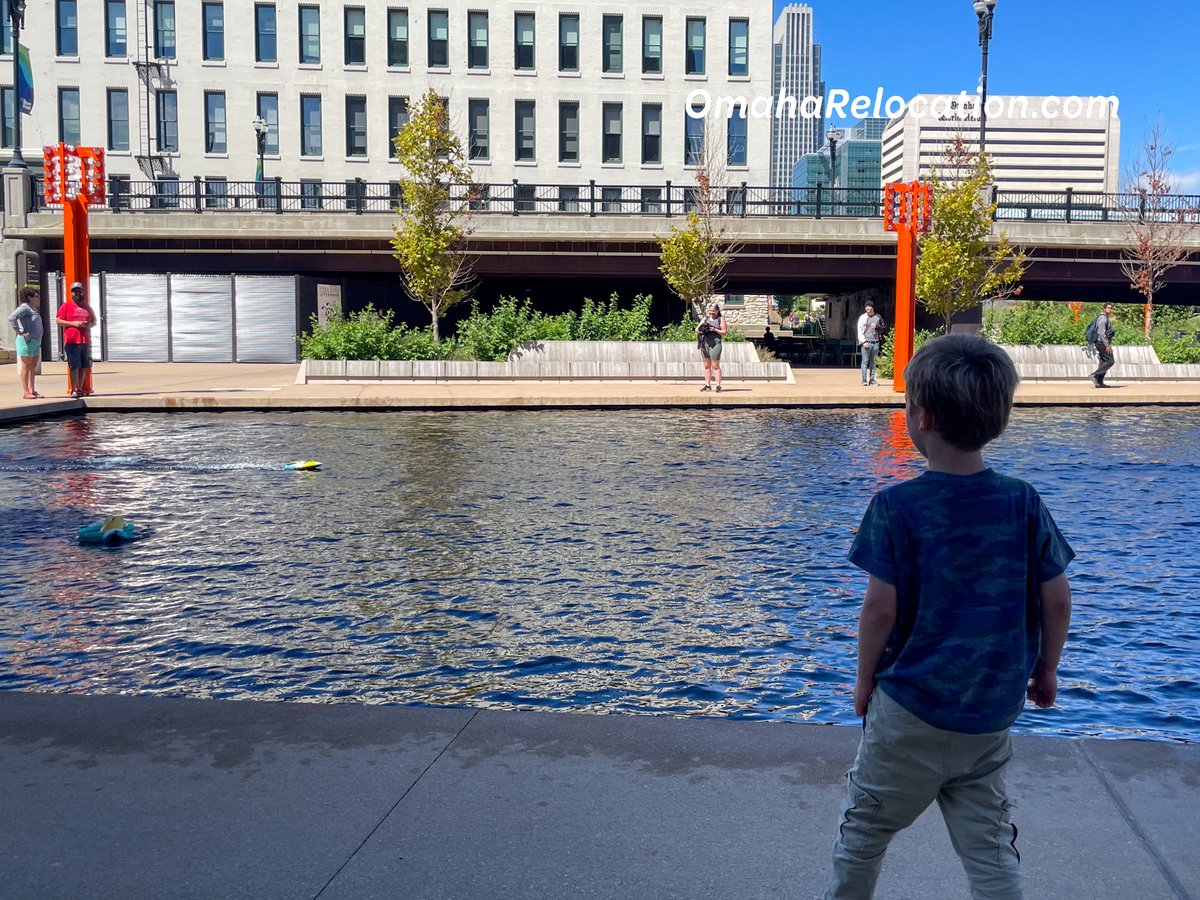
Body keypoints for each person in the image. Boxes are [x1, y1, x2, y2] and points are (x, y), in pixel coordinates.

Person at [826, 334, 1074, 900]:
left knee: (864, 830)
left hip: (909, 711)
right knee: (989, 844)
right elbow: (1056, 599)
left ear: (922, 416)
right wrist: (1048, 669)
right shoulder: (1023, 502)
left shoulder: (896, 507)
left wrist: (864, 679)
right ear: (1000, 418)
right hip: (989, 711)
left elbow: (879, 609)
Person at [56, 281, 95, 399]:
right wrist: (73, 324)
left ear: (83, 292)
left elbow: (93, 322)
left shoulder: (87, 307)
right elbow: (58, 320)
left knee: (84, 365)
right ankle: (73, 389)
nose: (77, 293)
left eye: (79, 291)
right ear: (71, 293)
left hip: (84, 340)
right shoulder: (66, 306)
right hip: (72, 340)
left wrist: (88, 325)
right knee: (74, 365)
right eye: (74, 291)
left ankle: (80, 388)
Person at [8, 287, 44, 399]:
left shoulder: (33, 308)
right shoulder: (24, 308)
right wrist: (20, 331)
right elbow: (12, 317)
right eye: (36, 296)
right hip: (26, 341)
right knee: (26, 365)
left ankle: (32, 389)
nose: (38, 299)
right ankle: (26, 391)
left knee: (33, 366)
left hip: (35, 340)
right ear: (29, 298)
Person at [695, 302, 728, 392]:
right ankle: (708, 385)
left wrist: (715, 329)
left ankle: (718, 386)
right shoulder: (705, 319)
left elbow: (724, 332)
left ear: (717, 311)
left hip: (715, 344)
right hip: (705, 344)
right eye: (710, 311)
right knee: (706, 366)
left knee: (715, 366)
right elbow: (696, 329)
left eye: (713, 311)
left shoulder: (720, 319)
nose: (711, 312)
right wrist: (703, 329)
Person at [856, 302, 884, 386]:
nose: (867, 308)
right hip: (866, 342)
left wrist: (877, 326)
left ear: (872, 307)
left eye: (869, 306)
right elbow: (860, 330)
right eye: (866, 307)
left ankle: (872, 380)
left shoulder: (878, 317)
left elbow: (883, 327)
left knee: (873, 362)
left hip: (875, 342)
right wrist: (863, 342)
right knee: (865, 361)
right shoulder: (863, 317)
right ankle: (864, 380)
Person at [1091, 302, 1115, 388]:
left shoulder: (1105, 318)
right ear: (1104, 309)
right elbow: (1101, 333)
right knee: (1110, 361)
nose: (1110, 309)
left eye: (1111, 308)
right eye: (1108, 308)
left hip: (1102, 342)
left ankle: (1099, 382)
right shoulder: (1103, 319)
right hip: (1101, 343)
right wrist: (1107, 345)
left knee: (1103, 362)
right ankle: (1095, 375)